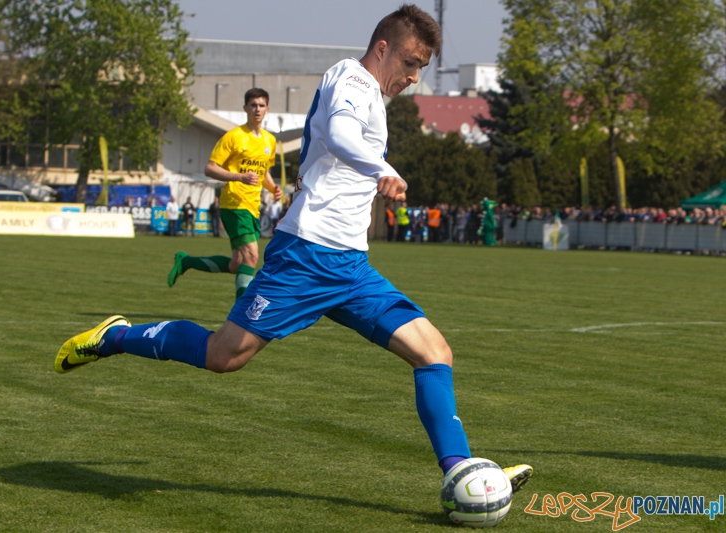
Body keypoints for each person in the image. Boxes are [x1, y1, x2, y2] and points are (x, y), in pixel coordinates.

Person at [55, 4, 531, 511]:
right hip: (305, 256)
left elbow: (330, 145)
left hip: (350, 266)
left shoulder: (368, 92)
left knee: (434, 352)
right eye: (411, 62)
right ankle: (117, 336)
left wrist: (361, 169)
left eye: (422, 68)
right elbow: (345, 136)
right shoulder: (353, 80)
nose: (414, 77)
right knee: (224, 356)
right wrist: (381, 170)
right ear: (383, 47)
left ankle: (462, 471)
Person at [168, 88, 282, 299]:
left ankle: (186, 261)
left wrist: (273, 188)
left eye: (261, 105)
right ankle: (242, 317)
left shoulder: (269, 141)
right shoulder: (234, 137)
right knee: (252, 255)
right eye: (253, 105)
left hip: (252, 207)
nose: (257, 109)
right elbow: (210, 168)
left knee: (237, 264)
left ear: (267, 109)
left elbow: (263, 172)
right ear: (245, 108)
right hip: (234, 204)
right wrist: (239, 177)